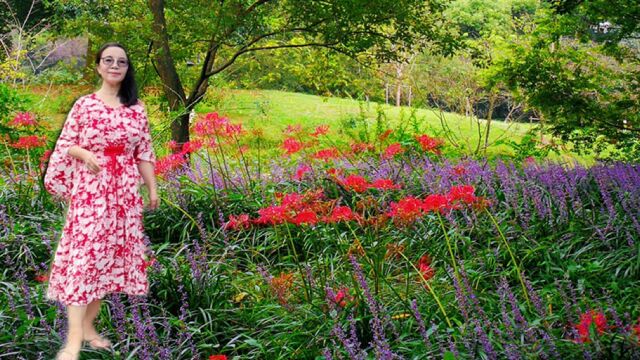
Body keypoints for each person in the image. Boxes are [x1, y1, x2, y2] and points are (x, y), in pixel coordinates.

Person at [43, 42, 158, 360]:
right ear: (98, 66)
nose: (114, 65)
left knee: (107, 263)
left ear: (126, 68)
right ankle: (73, 340)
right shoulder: (85, 105)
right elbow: (66, 143)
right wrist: (84, 153)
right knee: (84, 262)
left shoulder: (137, 108)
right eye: (108, 60)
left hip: (123, 196)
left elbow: (144, 152)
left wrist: (152, 190)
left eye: (121, 61)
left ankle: (90, 328)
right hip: (92, 193)